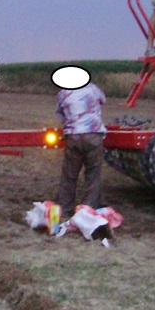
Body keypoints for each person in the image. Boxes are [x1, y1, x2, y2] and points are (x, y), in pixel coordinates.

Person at [55, 79, 106, 216]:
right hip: (94, 135)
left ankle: (65, 208)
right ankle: (88, 209)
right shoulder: (93, 88)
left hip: (73, 136)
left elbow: (60, 113)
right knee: (93, 174)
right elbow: (103, 100)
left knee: (69, 174)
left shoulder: (63, 93)